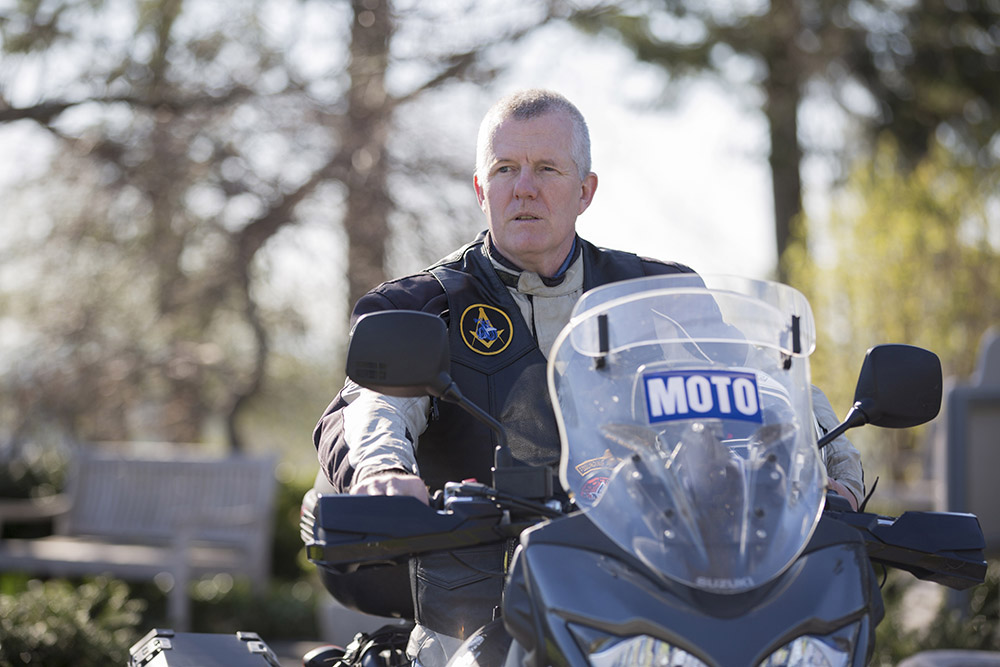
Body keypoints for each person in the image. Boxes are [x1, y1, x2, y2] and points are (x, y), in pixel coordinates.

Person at [313, 89, 864, 662]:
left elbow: (766, 383)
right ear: (482, 190)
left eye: (546, 168)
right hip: (475, 618)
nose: (523, 187)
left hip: (653, 602)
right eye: (505, 169)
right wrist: (382, 471)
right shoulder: (423, 305)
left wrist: (835, 475)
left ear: (585, 191)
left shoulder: (660, 298)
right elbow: (375, 403)